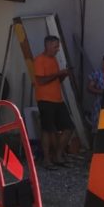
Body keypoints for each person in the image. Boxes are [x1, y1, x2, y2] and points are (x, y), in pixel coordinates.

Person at [33, 35, 73, 169]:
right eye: (56, 46)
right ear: (48, 45)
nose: (58, 49)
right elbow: (41, 81)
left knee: (68, 127)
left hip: (58, 99)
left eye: (58, 46)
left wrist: (63, 75)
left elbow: (55, 80)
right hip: (45, 100)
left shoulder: (54, 59)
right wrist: (58, 74)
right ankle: (47, 160)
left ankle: (58, 155)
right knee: (47, 129)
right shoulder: (40, 60)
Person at [87, 52, 104, 132]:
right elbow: (90, 87)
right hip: (99, 104)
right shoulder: (98, 73)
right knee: (97, 126)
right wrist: (100, 91)